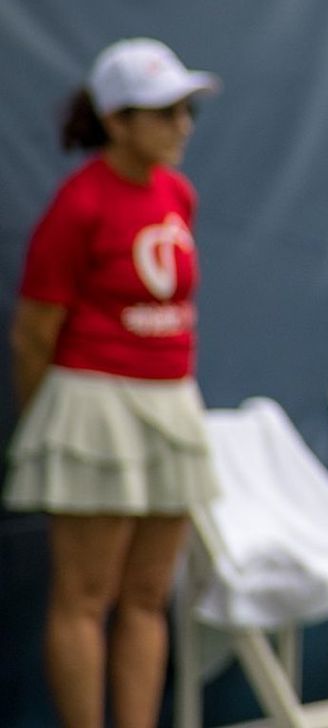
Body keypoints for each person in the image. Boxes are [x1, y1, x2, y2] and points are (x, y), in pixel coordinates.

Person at [4, 38, 222, 728]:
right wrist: (56, 424)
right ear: (117, 121)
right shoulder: (78, 207)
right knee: (84, 596)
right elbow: (34, 333)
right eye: (163, 112)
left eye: (185, 110)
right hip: (94, 407)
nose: (181, 126)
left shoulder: (176, 193)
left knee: (148, 595)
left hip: (170, 404)